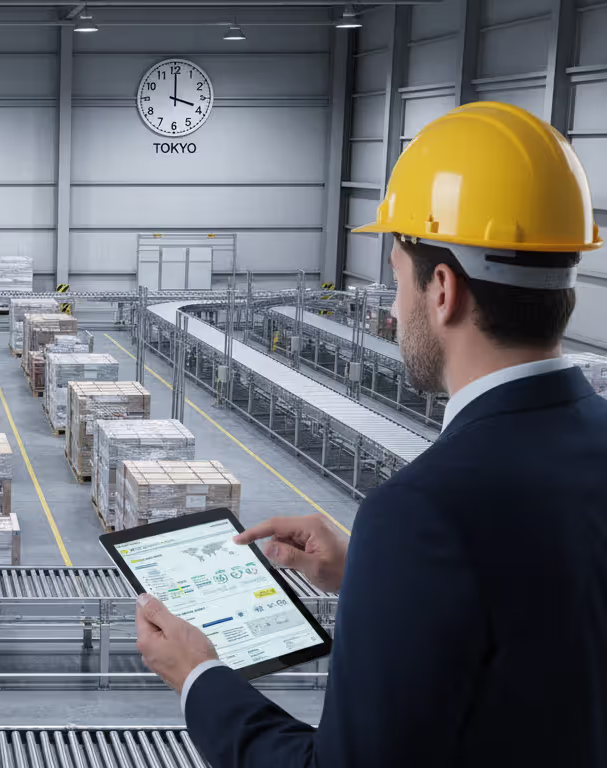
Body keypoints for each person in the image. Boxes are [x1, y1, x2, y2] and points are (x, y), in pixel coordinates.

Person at [133, 101, 607, 767]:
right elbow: (548, 624)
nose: (389, 311)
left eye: (395, 281)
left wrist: (200, 677)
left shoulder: (423, 513)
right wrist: (371, 576)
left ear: (442, 290)